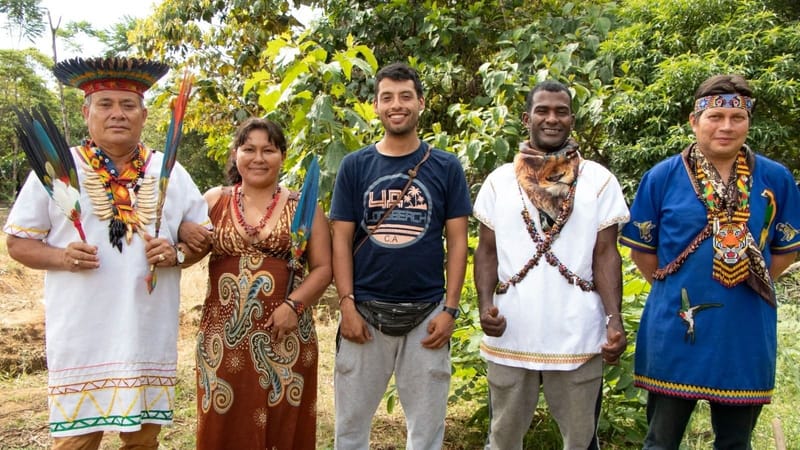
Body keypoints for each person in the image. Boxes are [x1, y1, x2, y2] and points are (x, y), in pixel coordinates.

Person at [3, 57, 211, 449]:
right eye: (105, 104)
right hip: (83, 338)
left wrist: (178, 253)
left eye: (128, 105)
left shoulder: (168, 170)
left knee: (143, 441)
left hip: (147, 335)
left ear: (144, 115)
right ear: (86, 112)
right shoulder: (59, 169)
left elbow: (202, 239)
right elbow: (17, 242)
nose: (118, 114)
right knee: (77, 443)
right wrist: (61, 257)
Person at [619, 74, 800, 449]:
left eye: (737, 118)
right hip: (676, 325)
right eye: (715, 116)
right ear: (694, 121)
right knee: (661, 440)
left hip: (745, 325)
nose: (726, 127)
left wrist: (744, 280)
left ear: (749, 122)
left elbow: (783, 252)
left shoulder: (775, 179)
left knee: (735, 442)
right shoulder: (662, 177)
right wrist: (679, 287)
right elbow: (643, 252)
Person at [473, 80, 629, 450]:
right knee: (503, 438)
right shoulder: (498, 181)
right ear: (527, 118)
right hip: (512, 332)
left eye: (561, 111)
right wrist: (484, 306)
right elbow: (487, 251)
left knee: (580, 441)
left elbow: (606, 253)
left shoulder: (599, 180)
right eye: (542, 110)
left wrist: (614, 318)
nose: (552, 118)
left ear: (572, 119)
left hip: (579, 333)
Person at [330, 62, 471, 449]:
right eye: (387, 97)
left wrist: (450, 310)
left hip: (427, 316)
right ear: (375, 106)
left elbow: (458, 240)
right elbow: (340, 238)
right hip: (364, 313)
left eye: (406, 96)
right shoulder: (355, 166)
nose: (397, 105)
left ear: (421, 103)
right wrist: (347, 305)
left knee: (427, 433)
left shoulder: (445, 166)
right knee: (350, 428)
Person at [192, 118, 332, 449]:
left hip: (287, 338)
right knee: (222, 422)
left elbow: (324, 269)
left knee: (284, 423)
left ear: (282, 155)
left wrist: (294, 306)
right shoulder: (213, 201)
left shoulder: (306, 206)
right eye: (249, 149)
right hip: (221, 344)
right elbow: (187, 253)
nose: (258, 158)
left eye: (268, 150)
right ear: (235, 154)